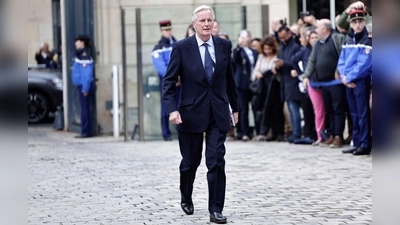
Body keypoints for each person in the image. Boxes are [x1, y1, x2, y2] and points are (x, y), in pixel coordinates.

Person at [162, 5, 238, 224]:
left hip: (217, 112)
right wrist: (172, 109)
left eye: (210, 20)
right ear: (194, 23)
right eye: (202, 20)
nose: (207, 24)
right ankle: (186, 194)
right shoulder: (182, 47)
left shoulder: (224, 45)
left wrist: (236, 108)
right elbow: (168, 83)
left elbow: (229, 79)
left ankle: (215, 209)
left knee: (215, 161)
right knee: (190, 162)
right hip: (189, 113)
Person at [303, 19, 347, 148]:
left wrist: (338, 70)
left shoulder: (337, 38)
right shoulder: (317, 44)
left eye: (317, 27)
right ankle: (332, 135)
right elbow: (312, 60)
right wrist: (306, 76)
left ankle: (339, 136)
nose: (315, 30)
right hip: (324, 83)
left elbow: (344, 56)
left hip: (336, 82)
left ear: (325, 29)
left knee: (338, 109)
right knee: (329, 110)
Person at [338, 10, 372, 155]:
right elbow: (342, 61)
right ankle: (356, 141)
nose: (357, 25)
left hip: (360, 81)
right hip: (348, 81)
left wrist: (348, 77)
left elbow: (364, 64)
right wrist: (343, 77)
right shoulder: (348, 39)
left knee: (363, 113)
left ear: (364, 22)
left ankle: (365, 143)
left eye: (360, 22)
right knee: (354, 113)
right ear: (350, 24)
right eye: (354, 22)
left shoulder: (368, 40)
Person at [251, 35, 284, 142]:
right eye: (265, 49)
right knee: (264, 110)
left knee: (276, 110)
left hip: (275, 87)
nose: (268, 51)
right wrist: (258, 74)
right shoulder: (261, 57)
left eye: (269, 49)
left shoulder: (278, 57)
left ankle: (278, 132)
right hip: (264, 89)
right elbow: (255, 71)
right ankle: (264, 132)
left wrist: (276, 71)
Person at [151, 20, 180, 141]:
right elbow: (161, 68)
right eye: (166, 30)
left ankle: (181, 131)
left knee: (181, 107)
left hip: (180, 81)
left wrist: (180, 76)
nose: (168, 32)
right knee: (166, 108)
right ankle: (166, 133)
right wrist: (174, 78)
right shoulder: (158, 47)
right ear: (161, 31)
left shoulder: (177, 43)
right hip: (167, 82)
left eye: (169, 29)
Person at [290, 27, 318, 144]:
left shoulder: (319, 48)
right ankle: (309, 133)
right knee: (307, 110)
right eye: (311, 37)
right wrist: (301, 73)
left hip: (320, 81)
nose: (313, 40)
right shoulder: (305, 50)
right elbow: (293, 60)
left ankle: (317, 133)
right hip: (308, 82)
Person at [275, 26, 302, 143]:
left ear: (290, 34)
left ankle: (297, 132)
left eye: (284, 36)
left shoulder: (295, 47)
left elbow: (296, 62)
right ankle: (294, 131)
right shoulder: (282, 47)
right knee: (290, 108)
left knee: (294, 107)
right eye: (280, 37)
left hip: (293, 82)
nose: (282, 39)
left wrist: (284, 63)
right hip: (285, 81)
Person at [232, 29, 258, 141]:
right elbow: (235, 58)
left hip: (253, 82)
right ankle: (244, 132)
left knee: (256, 108)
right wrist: (239, 44)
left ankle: (256, 131)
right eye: (243, 37)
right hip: (241, 83)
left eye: (247, 37)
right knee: (243, 109)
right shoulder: (238, 50)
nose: (246, 39)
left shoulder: (254, 51)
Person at [71, 35, 95, 138]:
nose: (75, 43)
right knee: (86, 108)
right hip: (83, 85)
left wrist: (85, 88)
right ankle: (87, 131)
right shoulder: (81, 54)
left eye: (77, 41)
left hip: (84, 86)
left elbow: (86, 74)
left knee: (84, 109)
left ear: (82, 43)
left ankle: (85, 131)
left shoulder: (84, 55)